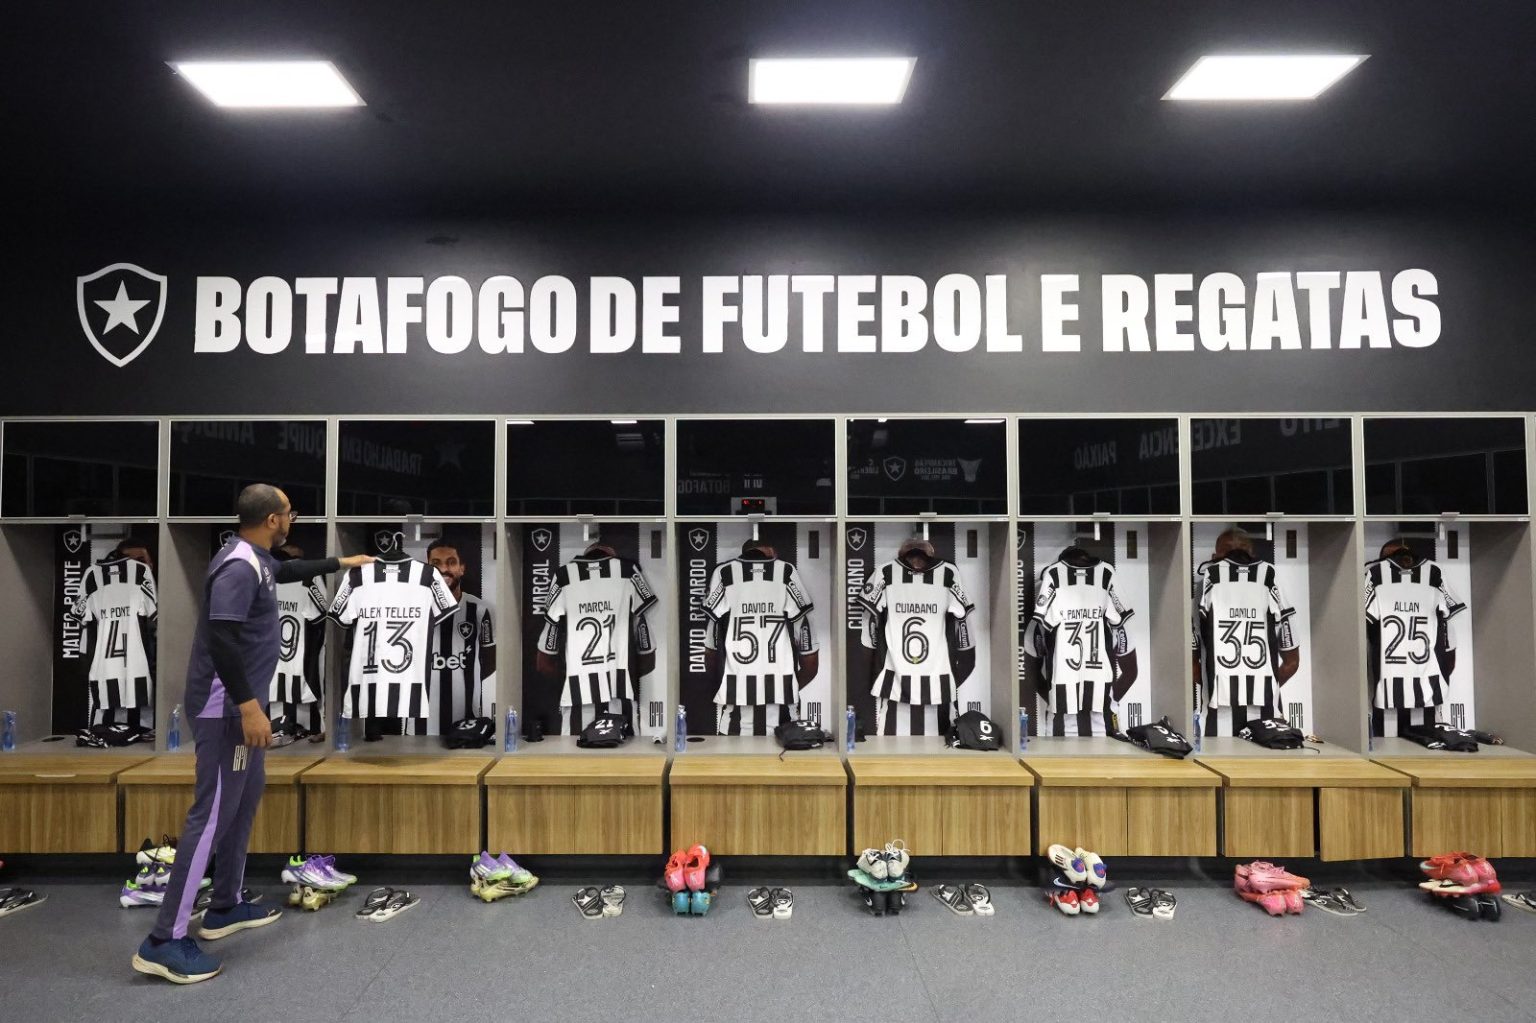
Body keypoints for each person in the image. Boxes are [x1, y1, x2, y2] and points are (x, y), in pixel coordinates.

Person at [132, 484, 374, 985]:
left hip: (242, 706)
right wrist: (248, 707)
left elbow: (284, 572)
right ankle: (162, 941)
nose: (292, 519)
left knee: (245, 798)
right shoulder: (239, 567)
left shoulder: (257, 558)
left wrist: (341, 562)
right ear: (271, 520)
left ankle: (225, 904)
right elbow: (221, 638)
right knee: (211, 814)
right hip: (226, 709)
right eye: (289, 513)